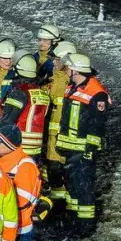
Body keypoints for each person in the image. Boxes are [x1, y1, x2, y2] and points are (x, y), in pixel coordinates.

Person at [54, 53, 110, 238]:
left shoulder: (96, 93)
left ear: (75, 69)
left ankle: (85, 227)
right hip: (71, 150)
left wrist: (90, 151)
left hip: (83, 152)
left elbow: (97, 126)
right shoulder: (73, 87)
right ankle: (73, 222)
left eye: (68, 68)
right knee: (72, 187)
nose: (66, 70)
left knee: (83, 189)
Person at [43, 41, 77, 207]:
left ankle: (60, 206)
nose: (54, 62)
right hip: (55, 133)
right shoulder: (60, 79)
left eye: (57, 60)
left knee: (57, 169)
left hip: (57, 134)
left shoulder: (61, 81)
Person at [0, 54, 52, 159]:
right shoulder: (43, 94)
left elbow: (8, 120)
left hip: (17, 145)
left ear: (18, 72)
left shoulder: (19, 92)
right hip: (35, 147)